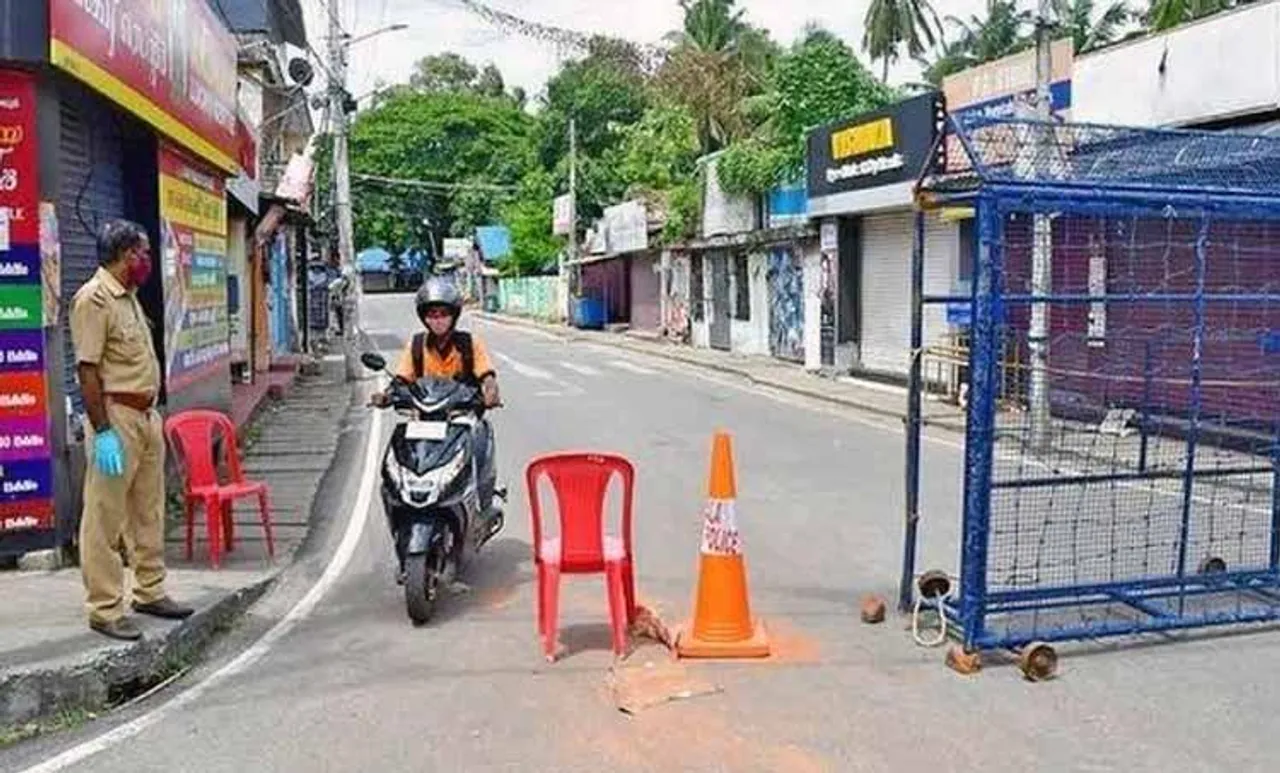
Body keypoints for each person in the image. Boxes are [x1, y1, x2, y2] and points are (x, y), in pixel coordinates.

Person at [70, 219, 193, 642]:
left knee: (148, 510)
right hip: (116, 417)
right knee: (104, 517)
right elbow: (87, 370)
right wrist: (102, 431)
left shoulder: (130, 298)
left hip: (145, 417)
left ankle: (149, 590)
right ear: (125, 256)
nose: (147, 261)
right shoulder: (95, 299)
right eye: (142, 253)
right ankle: (105, 608)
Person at [371, 277, 502, 505]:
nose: (438, 320)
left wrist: (490, 392)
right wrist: (386, 396)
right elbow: (402, 377)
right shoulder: (417, 345)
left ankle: (482, 499)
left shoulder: (470, 344)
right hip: (424, 417)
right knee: (405, 456)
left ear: (454, 315)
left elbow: (486, 375)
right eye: (432, 315)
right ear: (424, 317)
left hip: (461, 418)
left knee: (480, 439)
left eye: (443, 314)